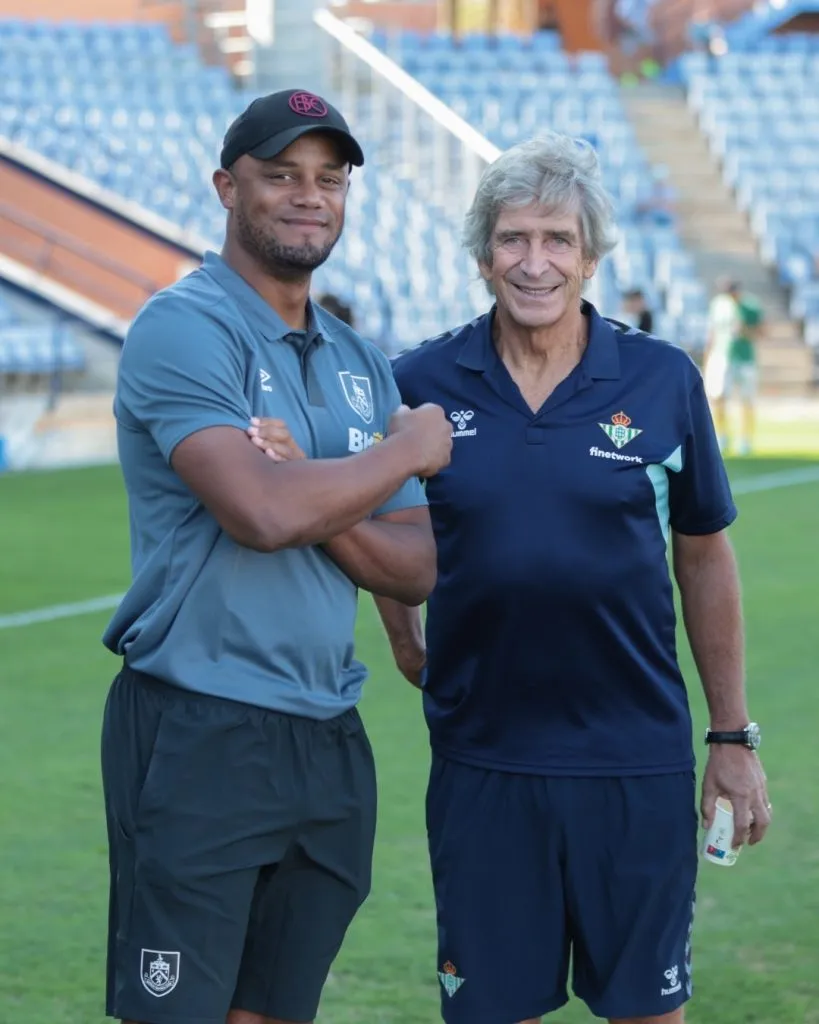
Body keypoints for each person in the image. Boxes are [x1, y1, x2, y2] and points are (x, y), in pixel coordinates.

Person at [350, 133, 772, 1023]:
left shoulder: (661, 382)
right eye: (512, 239)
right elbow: (369, 515)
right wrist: (403, 637)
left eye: (556, 241)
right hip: (483, 764)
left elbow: (703, 552)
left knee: (647, 1013)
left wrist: (731, 738)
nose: (533, 263)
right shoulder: (420, 382)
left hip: (634, 764)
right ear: (480, 254)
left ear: (590, 256)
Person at [99, 88, 453, 1024]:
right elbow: (256, 510)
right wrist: (398, 456)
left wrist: (323, 491)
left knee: (274, 1010)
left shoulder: (359, 360)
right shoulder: (185, 326)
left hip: (326, 730)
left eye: (328, 179)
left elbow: (415, 569)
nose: (309, 197)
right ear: (227, 187)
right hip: (198, 725)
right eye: (280, 176)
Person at [704, 279, 763, 454]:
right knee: (718, 396)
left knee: (747, 399)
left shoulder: (750, 305)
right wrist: (708, 357)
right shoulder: (718, 305)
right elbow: (712, 332)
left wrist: (744, 330)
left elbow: (761, 331)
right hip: (722, 355)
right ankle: (722, 436)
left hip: (745, 358)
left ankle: (745, 439)